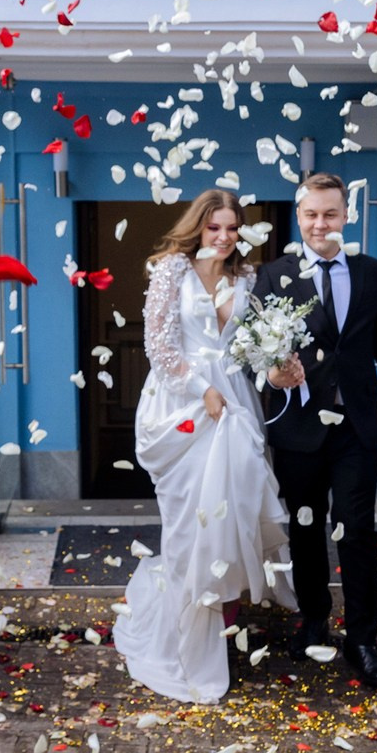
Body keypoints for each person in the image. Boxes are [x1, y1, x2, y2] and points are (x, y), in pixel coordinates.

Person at [114, 191, 297, 702]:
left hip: (235, 404)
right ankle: (180, 643)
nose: (222, 237)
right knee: (190, 527)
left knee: (233, 519)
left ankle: (219, 631)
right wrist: (203, 390)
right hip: (184, 407)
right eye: (214, 228)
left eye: (232, 229)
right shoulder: (171, 270)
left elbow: (254, 348)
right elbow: (160, 347)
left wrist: (279, 369)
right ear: (198, 227)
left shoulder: (246, 278)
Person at [256, 173, 377, 692]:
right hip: (299, 425)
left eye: (330, 214)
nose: (320, 223)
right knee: (306, 526)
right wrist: (274, 377)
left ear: (346, 216)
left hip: (357, 425)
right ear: (298, 218)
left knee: (357, 528)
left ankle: (363, 640)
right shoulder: (273, 274)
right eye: (311, 215)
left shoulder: (370, 272)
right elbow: (257, 351)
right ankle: (313, 618)